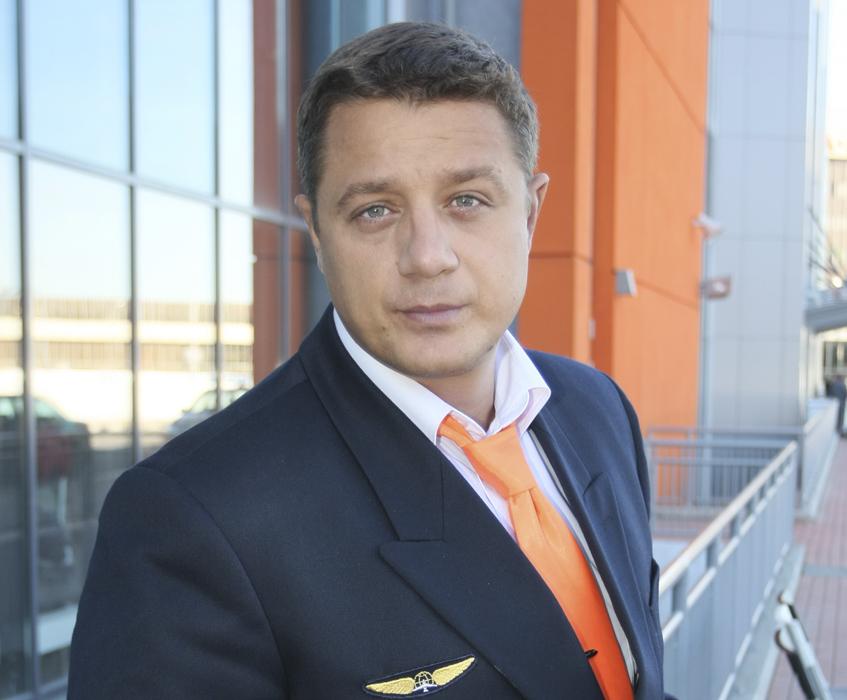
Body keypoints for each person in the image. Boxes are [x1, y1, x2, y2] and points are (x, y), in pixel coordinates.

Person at [69, 22, 665, 699]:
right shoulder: (193, 517)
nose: (427, 256)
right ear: (317, 231)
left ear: (530, 213)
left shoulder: (598, 409)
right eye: (375, 211)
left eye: (466, 200)